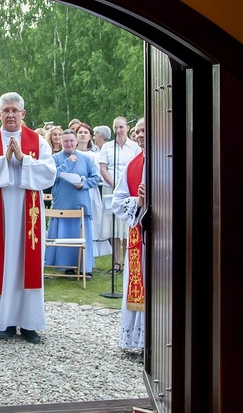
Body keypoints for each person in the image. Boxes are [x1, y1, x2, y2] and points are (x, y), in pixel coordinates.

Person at [0, 92, 56, 344]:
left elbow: (50, 174)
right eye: (5, 110)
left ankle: (29, 323)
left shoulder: (38, 142)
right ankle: (3, 322)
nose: (10, 114)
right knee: (2, 265)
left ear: (23, 114)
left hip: (28, 215)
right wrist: (3, 160)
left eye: (14, 110)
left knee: (26, 266)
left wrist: (23, 160)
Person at [111, 117, 146, 351]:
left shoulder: (174, 156)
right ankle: (138, 341)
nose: (140, 135)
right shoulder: (134, 165)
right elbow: (117, 201)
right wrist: (139, 201)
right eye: (137, 131)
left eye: (145, 130)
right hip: (140, 236)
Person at [45, 129, 100, 278]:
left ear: (76, 142)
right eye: (65, 141)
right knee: (64, 234)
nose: (69, 144)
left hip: (80, 203)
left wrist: (83, 184)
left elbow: (95, 178)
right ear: (61, 142)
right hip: (62, 203)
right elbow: (50, 177)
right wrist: (67, 164)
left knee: (81, 234)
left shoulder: (86, 159)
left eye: (71, 141)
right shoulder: (55, 158)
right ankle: (65, 266)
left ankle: (83, 266)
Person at [99, 116, 140, 272]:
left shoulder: (135, 147)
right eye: (115, 127)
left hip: (129, 189)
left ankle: (128, 260)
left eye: (121, 127)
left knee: (126, 226)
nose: (119, 130)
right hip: (112, 187)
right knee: (113, 227)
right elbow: (103, 169)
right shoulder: (108, 147)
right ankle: (116, 262)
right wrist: (115, 185)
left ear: (127, 128)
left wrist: (124, 186)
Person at [75, 122, 110, 257]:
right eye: (80, 132)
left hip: (90, 191)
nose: (82, 135)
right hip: (75, 192)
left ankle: (90, 253)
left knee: (92, 219)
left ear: (90, 136)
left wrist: (85, 182)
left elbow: (99, 175)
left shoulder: (95, 155)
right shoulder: (72, 153)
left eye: (85, 132)